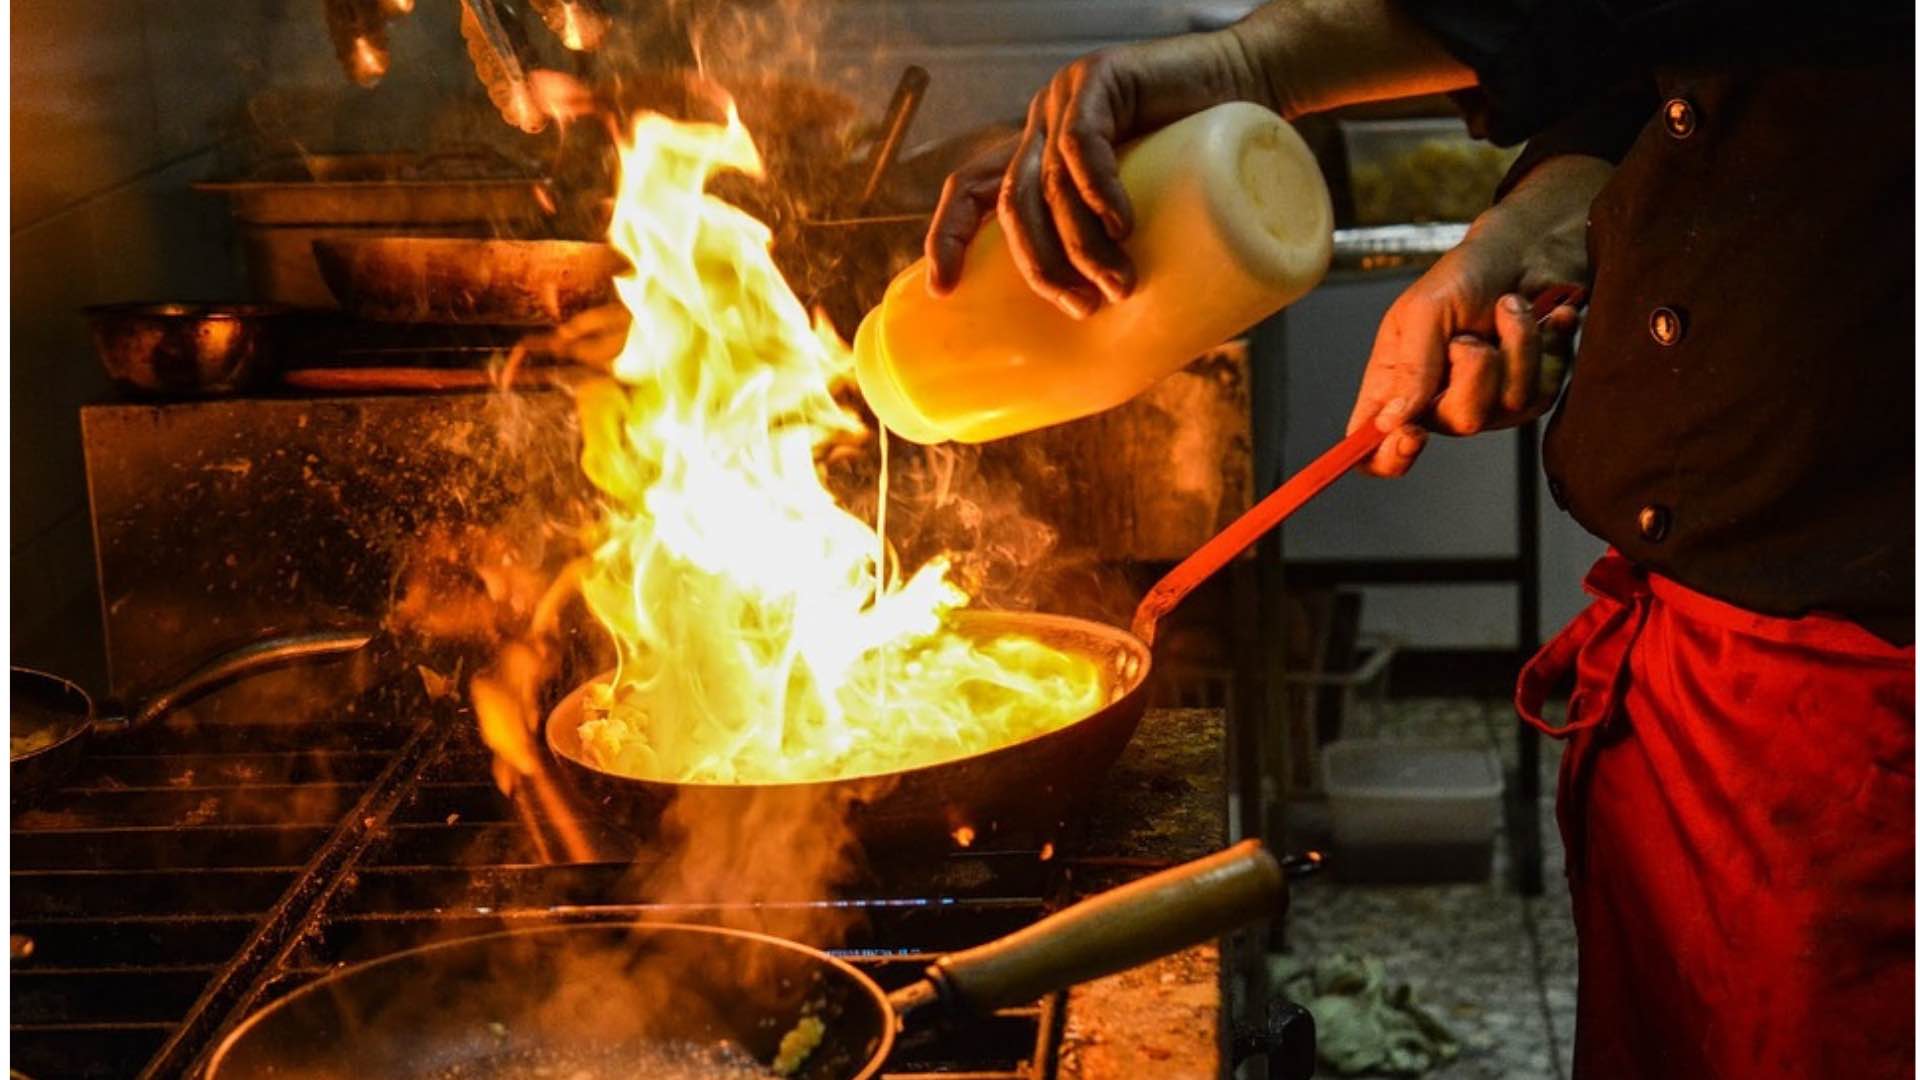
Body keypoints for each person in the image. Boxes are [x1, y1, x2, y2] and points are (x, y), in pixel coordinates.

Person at [923, 1, 1916, 1075]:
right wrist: (1518, 239)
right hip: (1680, 682)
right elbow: (1662, 83)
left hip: (1867, 727)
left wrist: (1247, 64)